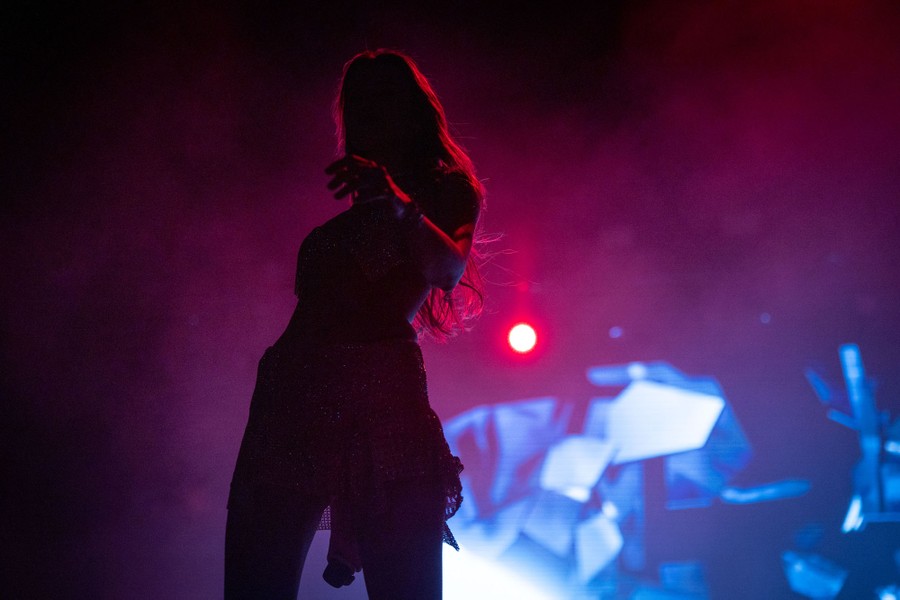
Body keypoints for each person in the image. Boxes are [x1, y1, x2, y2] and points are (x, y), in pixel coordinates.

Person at [224, 48, 486, 600]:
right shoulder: (348, 214)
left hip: (381, 400)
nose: (370, 113)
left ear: (415, 111)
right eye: (358, 102)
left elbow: (447, 269)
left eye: (385, 98)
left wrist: (397, 203)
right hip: (289, 400)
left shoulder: (445, 190)